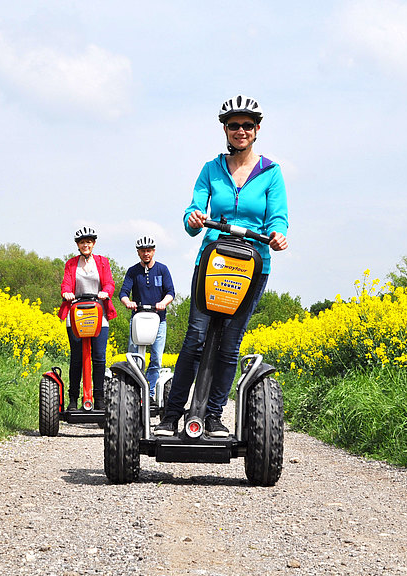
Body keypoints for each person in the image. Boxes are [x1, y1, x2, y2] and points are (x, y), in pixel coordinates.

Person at [154, 95, 288, 437]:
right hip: (213, 261)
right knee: (196, 337)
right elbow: (192, 212)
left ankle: (213, 417)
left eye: (247, 125)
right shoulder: (211, 169)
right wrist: (195, 218)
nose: (240, 131)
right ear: (225, 130)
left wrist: (277, 234)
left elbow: (278, 217)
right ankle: (170, 417)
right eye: (234, 125)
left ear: (257, 129)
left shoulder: (271, 172)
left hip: (254, 264)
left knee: (230, 342)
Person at [58, 226, 117, 411]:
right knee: (76, 358)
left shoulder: (102, 262)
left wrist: (105, 292)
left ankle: (98, 398)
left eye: (89, 242)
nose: (86, 245)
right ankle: (73, 399)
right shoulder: (71, 263)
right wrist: (67, 292)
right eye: (82, 242)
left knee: (99, 357)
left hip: (99, 312)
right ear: (78, 245)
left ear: (94, 244)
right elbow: (66, 283)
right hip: (76, 312)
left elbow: (109, 283)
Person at [119, 236, 175, 402]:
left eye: (149, 250)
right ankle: (134, 392)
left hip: (159, 320)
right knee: (134, 357)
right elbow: (123, 293)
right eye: (143, 251)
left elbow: (170, 292)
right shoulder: (133, 271)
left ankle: (149, 394)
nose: (146, 253)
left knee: (156, 357)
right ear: (138, 252)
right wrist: (128, 302)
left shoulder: (162, 269)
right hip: (138, 319)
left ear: (153, 251)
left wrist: (163, 303)